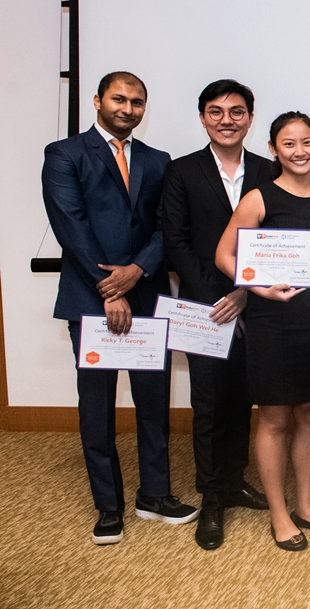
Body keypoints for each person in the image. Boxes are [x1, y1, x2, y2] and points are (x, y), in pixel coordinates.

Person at [41, 71, 198, 545]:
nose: (128, 109)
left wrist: (138, 269)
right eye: (119, 99)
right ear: (97, 101)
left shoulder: (157, 160)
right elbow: (70, 225)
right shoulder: (64, 154)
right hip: (91, 300)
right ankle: (108, 506)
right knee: (97, 408)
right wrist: (111, 289)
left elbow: (166, 226)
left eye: (137, 102)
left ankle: (155, 495)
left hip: (147, 295)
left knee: (153, 403)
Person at [214, 112, 310, 551]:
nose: (299, 152)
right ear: (273, 149)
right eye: (289, 144)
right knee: (274, 419)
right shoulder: (259, 197)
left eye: (307, 142)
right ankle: (279, 513)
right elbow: (224, 255)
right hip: (272, 322)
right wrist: (259, 288)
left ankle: (305, 504)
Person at [161, 79, 271, 550]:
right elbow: (175, 242)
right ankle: (211, 498)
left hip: (255, 304)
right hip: (203, 309)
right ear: (203, 117)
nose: (227, 120)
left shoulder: (269, 169)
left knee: (243, 397)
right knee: (207, 403)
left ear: (250, 118)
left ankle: (234, 481)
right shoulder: (181, 171)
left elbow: (277, 240)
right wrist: (218, 297)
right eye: (216, 111)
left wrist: (244, 293)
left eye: (237, 111)